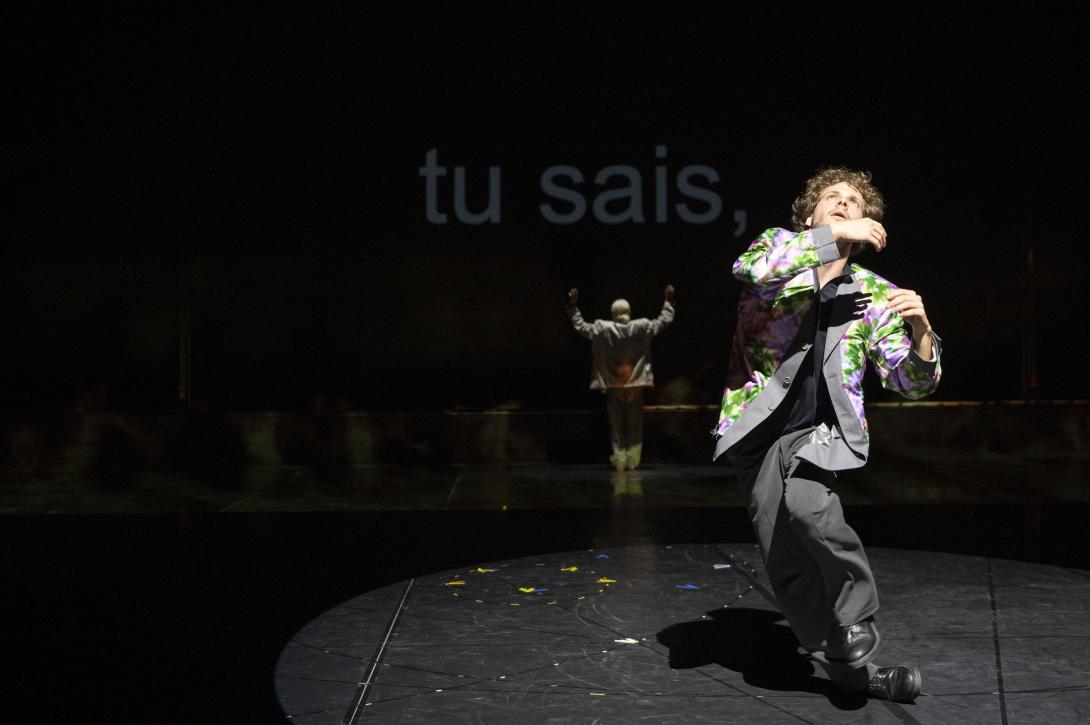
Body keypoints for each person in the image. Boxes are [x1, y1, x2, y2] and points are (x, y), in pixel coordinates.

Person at [712, 167, 941, 703]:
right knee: (787, 566)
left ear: (869, 222)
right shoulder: (777, 251)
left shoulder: (876, 295)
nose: (842, 204)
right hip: (758, 431)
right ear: (810, 215)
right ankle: (851, 670)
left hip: (821, 431)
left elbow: (910, 384)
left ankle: (856, 618)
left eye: (853, 201)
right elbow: (750, 269)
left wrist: (923, 335)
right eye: (831, 198)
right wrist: (831, 240)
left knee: (812, 510)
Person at [566, 285, 675, 471]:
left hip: (614, 384)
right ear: (629, 312)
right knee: (634, 423)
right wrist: (668, 302)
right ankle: (633, 460)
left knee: (616, 425)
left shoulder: (602, 328)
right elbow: (663, 322)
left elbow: (581, 327)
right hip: (635, 384)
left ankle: (620, 458)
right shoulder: (641, 327)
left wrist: (572, 307)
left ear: (613, 313)